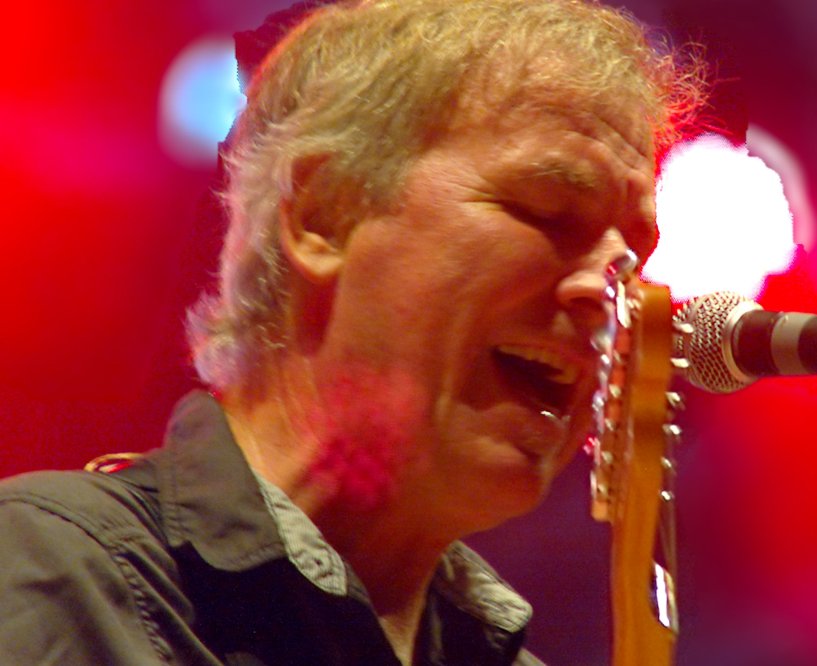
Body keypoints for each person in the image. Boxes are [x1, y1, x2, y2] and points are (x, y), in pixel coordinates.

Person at [0, 0, 702, 663]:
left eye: (633, 258)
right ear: (324, 216)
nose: (612, 295)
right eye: (547, 210)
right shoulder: (52, 575)